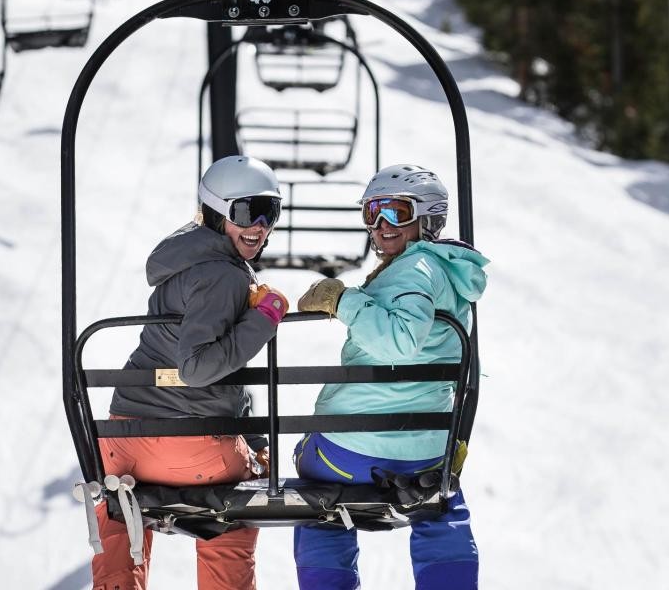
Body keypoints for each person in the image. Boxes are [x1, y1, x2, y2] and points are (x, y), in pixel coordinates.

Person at [92, 155, 289, 590]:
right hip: (195, 449)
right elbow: (198, 369)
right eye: (244, 212)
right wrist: (266, 318)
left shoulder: (180, 262)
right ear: (218, 213)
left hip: (124, 441)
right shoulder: (224, 276)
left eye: (269, 211)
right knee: (233, 514)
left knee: (119, 507)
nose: (259, 225)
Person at [293, 164, 489, 590]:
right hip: (426, 449)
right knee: (441, 503)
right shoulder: (449, 275)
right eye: (371, 214)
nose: (381, 226)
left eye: (396, 212)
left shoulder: (414, 269)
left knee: (316, 499)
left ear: (428, 218)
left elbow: (400, 342)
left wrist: (343, 301)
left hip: (349, 454)